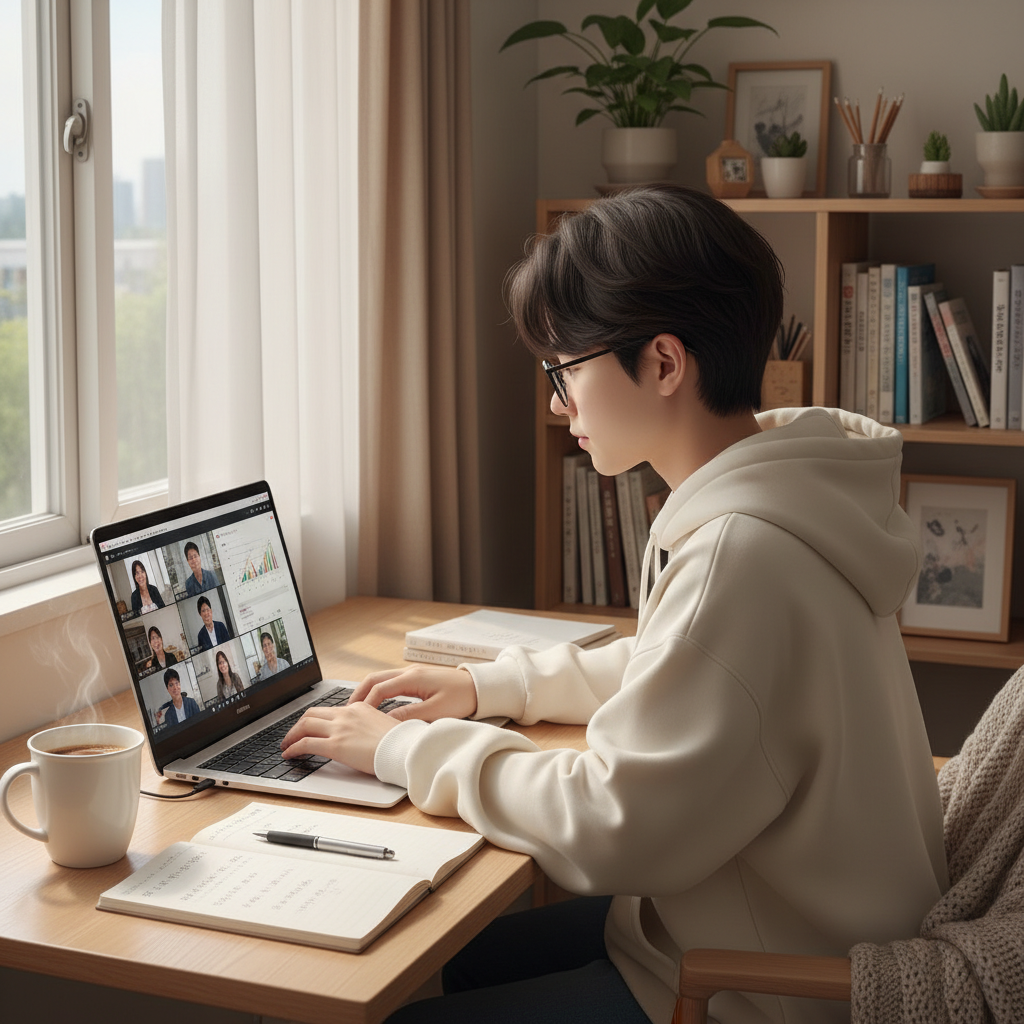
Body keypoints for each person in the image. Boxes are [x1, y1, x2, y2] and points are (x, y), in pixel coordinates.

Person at [279, 185, 948, 1024]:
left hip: (755, 987)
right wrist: (495, 691)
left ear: (663, 363)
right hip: (770, 922)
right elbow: (692, 669)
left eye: (565, 371)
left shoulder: (743, 555)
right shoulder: (792, 493)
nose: (557, 405)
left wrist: (407, 749)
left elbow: (613, 822)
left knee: (403, 997)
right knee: (461, 955)